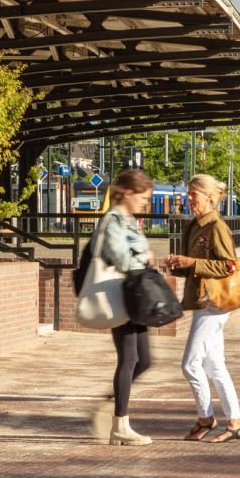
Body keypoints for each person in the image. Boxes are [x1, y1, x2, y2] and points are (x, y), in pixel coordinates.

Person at [163, 174, 240, 443]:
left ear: (210, 198)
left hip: (214, 303)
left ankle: (205, 418)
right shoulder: (194, 226)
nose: (188, 199)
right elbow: (195, 265)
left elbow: (228, 266)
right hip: (202, 301)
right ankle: (235, 422)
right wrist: (178, 264)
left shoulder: (216, 227)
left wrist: (191, 263)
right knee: (215, 366)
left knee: (190, 365)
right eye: (188, 193)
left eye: (193, 194)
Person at [90, 168, 162, 446]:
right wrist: (145, 254)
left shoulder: (128, 219)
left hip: (134, 295)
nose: (144, 203)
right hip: (120, 293)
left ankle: (111, 406)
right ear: (129, 193)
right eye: (143, 198)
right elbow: (119, 256)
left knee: (144, 361)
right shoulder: (113, 219)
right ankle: (120, 425)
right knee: (130, 359)